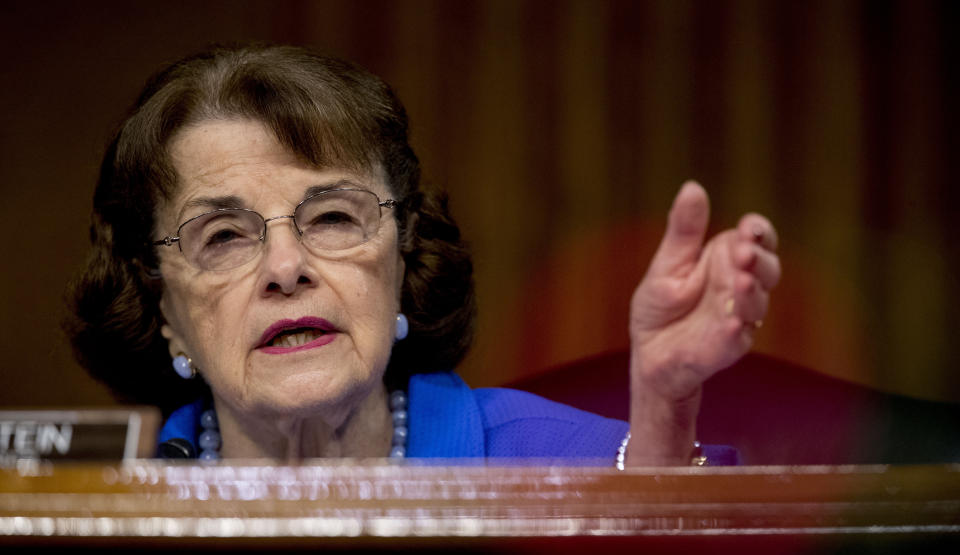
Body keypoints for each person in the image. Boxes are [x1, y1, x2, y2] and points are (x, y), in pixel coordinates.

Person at [66, 44, 780, 466]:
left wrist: (665, 408)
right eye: (222, 237)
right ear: (163, 308)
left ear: (403, 256)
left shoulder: (554, 460)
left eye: (334, 217)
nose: (286, 268)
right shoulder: (93, 503)